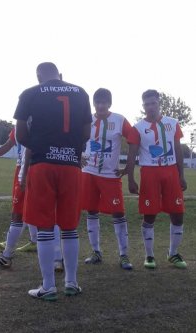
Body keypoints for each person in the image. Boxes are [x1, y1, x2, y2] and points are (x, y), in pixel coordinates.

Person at [14, 62, 92, 301]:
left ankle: (48, 286)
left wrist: (39, 147)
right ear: (60, 75)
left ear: (39, 77)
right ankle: (71, 282)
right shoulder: (80, 92)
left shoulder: (29, 93)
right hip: (71, 165)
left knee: (45, 226)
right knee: (69, 226)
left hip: (42, 164)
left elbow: (19, 134)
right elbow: (86, 133)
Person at [126, 89, 187, 269]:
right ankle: (149, 255)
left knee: (178, 213)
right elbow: (132, 154)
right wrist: (130, 179)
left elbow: (178, 150)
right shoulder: (137, 128)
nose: (150, 107)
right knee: (149, 214)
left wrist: (181, 175)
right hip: (149, 173)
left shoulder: (173, 123)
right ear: (143, 105)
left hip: (171, 172)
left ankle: (173, 253)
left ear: (159, 103)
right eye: (147, 104)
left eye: (153, 103)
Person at [82, 88, 133, 270]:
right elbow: (74, 136)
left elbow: (134, 139)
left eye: (104, 102)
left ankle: (124, 255)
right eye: (98, 102)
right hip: (88, 172)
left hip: (110, 175)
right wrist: (78, 154)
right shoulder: (87, 118)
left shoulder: (119, 120)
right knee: (91, 210)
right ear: (94, 103)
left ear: (110, 103)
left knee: (118, 213)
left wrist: (129, 166)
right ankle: (96, 252)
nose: (101, 105)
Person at [0, 128, 38, 268]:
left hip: (28, 169)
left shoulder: (31, 120)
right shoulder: (20, 124)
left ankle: (6, 256)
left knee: (17, 214)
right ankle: (56, 258)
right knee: (38, 212)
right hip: (30, 168)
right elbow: (8, 144)